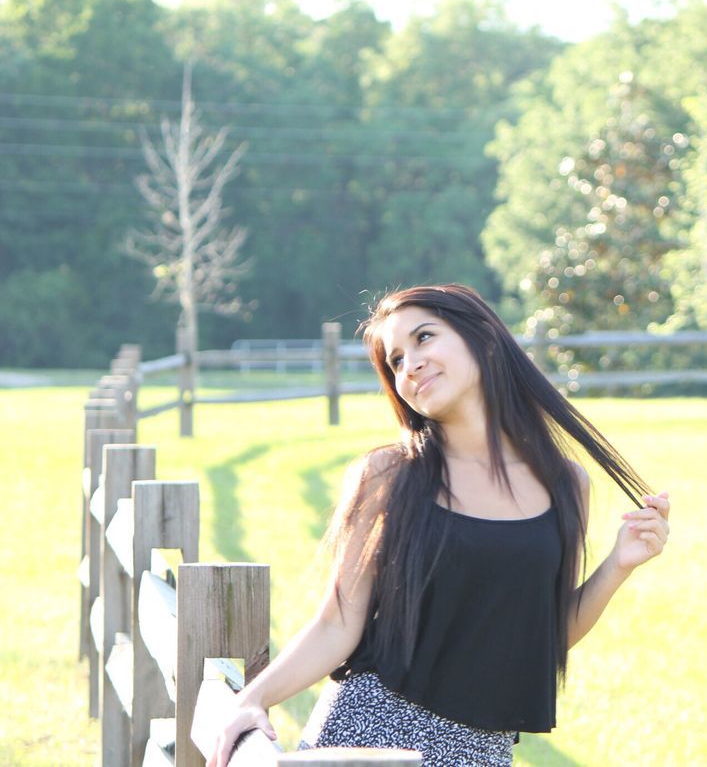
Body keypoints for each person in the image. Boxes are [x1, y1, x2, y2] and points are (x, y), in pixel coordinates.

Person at [208, 284, 671, 767]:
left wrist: (618, 565)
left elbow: (544, 635)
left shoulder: (565, 484)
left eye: (424, 338)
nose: (410, 364)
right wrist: (252, 699)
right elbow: (337, 624)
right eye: (395, 361)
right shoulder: (389, 476)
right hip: (372, 735)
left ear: (485, 338)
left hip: (484, 752)